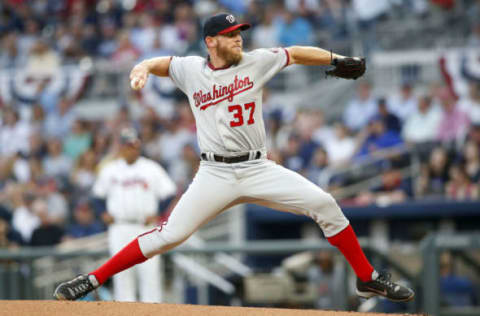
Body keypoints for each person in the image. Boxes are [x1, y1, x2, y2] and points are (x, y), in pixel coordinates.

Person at [54, 13, 414, 303]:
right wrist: (143, 68)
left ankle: (367, 279)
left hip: (258, 166)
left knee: (325, 203)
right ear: (210, 41)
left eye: (239, 32)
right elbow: (159, 63)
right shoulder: (191, 69)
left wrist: (337, 58)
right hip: (214, 173)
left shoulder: (255, 61)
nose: (238, 37)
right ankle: (92, 279)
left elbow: (296, 53)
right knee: (169, 235)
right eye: (229, 34)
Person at [91, 127, 176, 302]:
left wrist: (158, 212)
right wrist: (103, 213)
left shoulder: (151, 168)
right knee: (121, 274)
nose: (132, 149)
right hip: (119, 226)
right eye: (129, 145)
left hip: (145, 226)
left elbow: (170, 192)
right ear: (121, 147)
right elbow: (97, 196)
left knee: (150, 273)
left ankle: (152, 312)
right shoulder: (111, 169)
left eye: (135, 145)